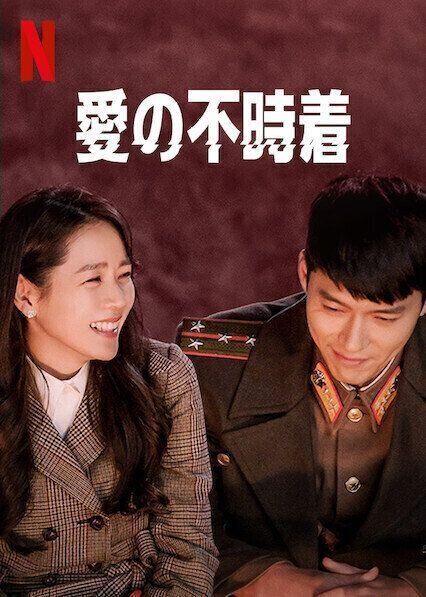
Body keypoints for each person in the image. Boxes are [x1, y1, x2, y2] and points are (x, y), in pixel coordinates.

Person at [177, 175, 425, 596]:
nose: (353, 343)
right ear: (304, 273)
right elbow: (166, 517)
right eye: (333, 307)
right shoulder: (209, 367)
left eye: (384, 318)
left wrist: (411, 588)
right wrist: (262, 580)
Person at [0, 186, 218, 596]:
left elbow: (188, 545)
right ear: (26, 295)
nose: (117, 299)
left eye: (124, 275)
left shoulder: (164, 376)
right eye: (93, 279)